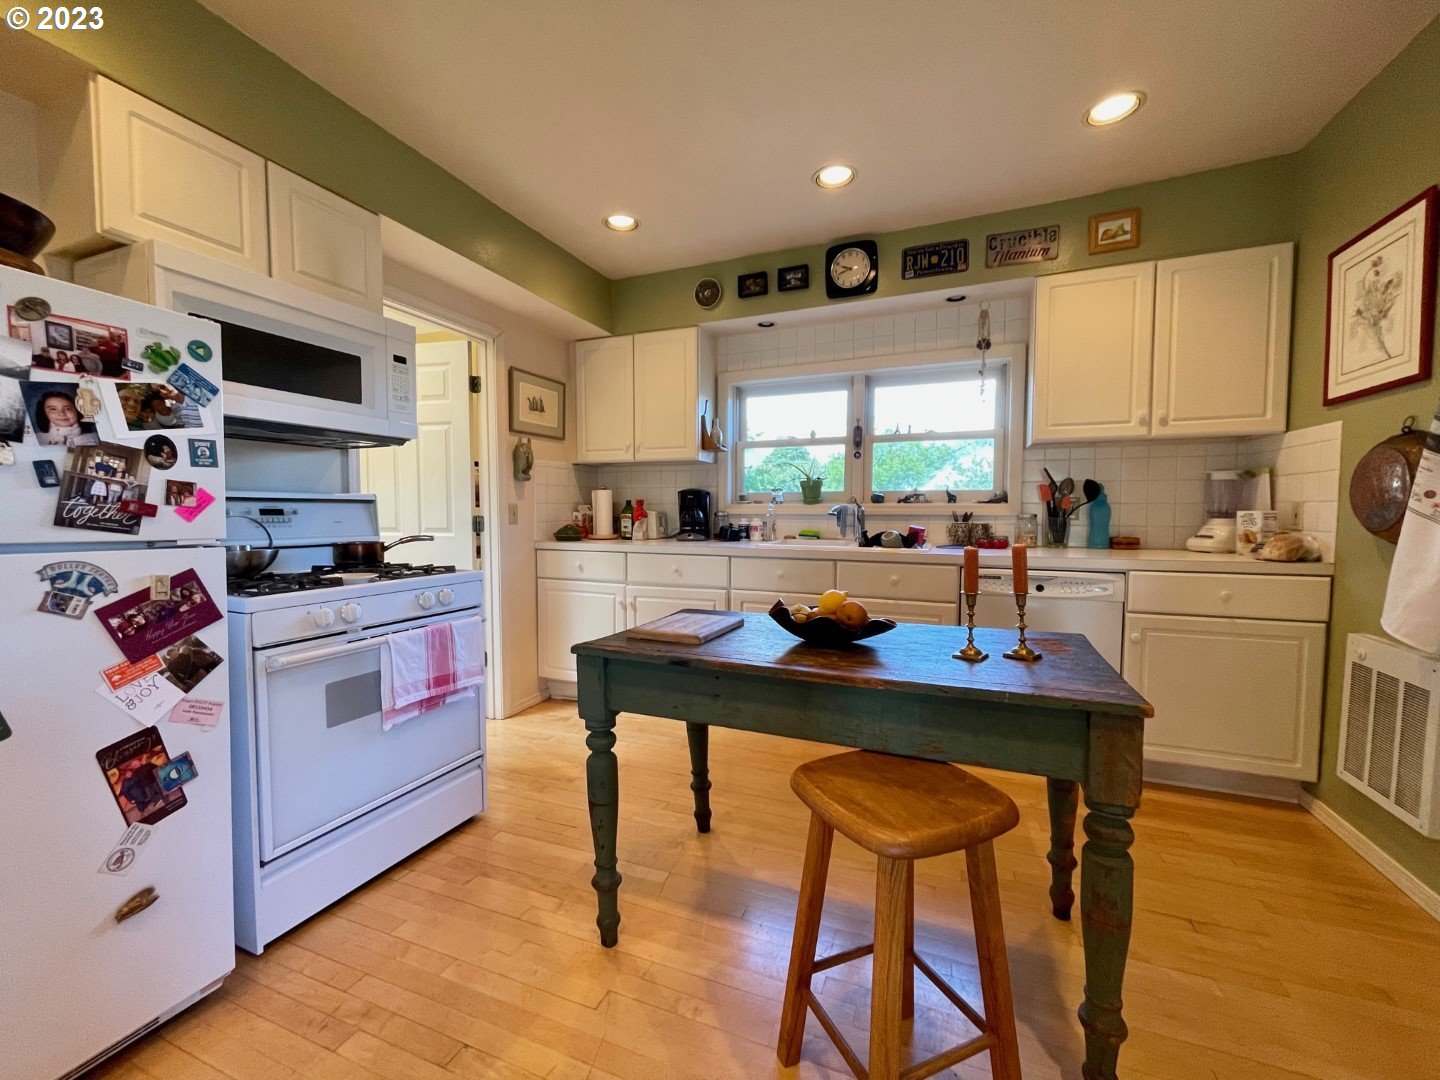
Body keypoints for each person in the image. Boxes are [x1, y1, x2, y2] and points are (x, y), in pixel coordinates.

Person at [32, 390, 98, 447]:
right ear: (44, 413)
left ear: (78, 411)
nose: (61, 413)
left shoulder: (95, 438)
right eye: (53, 409)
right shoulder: (37, 439)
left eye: (68, 409)